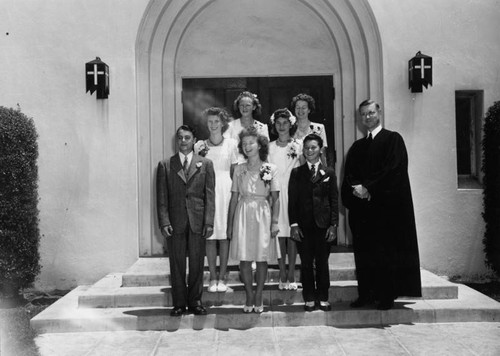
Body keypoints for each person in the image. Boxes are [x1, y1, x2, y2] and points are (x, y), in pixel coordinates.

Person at [341, 99, 422, 310]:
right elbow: (349, 175)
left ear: (379, 112)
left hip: (385, 211)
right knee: (364, 254)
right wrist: (356, 190)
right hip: (362, 212)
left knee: (384, 254)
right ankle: (366, 294)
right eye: (363, 114)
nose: (367, 117)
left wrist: (368, 187)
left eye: (370, 113)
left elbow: (394, 169)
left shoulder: (393, 140)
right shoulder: (357, 147)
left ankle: (386, 296)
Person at [156, 125, 216, 316]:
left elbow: (210, 196)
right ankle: (179, 303)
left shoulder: (205, 164)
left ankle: (196, 301)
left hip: (198, 221)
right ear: (176, 140)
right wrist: (165, 222)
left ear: (194, 140)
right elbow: (162, 198)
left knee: (198, 262)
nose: (183, 141)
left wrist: (209, 222)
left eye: (187, 138)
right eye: (180, 138)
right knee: (177, 263)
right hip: (175, 223)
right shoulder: (166, 165)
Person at [227, 127, 280, 314]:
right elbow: (234, 198)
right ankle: (249, 293)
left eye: (251, 142)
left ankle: (259, 294)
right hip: (243, 212)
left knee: (261, 255)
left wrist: (275, 221)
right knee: (245, 257)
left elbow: (276, 198)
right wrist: (229, 224)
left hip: (262, 213)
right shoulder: (239, 169)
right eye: (244, 143)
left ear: (260, 145)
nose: (247, 146)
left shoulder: (270, 168)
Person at [289, 133, 338, 312]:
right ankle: (309, 297)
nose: (310, 151)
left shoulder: (329, 172)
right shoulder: (296, 173)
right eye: (307, 148)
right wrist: (294, 224)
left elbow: (334, 199)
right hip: (304, 226)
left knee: (322, 263)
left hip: (323, 226)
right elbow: (292, 201)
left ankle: (323, 297)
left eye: (313, 147)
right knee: (307, 263)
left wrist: (333, 225)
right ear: (303, 150)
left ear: (320, 149)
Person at [194, 107, 238, 293]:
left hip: (226, 190)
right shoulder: (200, 146)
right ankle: (212, 277)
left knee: (225, 235)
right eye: (210, 122)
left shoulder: (232, 144)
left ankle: (223, 276)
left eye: (216, 122)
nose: (213, 125)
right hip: (207, 192)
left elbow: (235, 172)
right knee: (210, 235)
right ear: (206, 123)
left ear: (223, 123)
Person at [268, 108, 304, 290]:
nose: (282, 127)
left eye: (285, 123)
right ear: (274, 125)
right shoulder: (269, 147)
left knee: (292, 233)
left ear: (291, 124)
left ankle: (291, 273)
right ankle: (282, 272)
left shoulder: (298, 146)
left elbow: (303, 170)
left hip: (293, 193)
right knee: (279, 234)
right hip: (276, 193)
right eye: (278, 123)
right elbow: (265, 172)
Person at [291, 93, 328, 166]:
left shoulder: (319, 128)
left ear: (309, 110)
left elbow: (322, 153)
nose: (300, 110)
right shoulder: (290, 128)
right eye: (297, 107)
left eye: (304, 107)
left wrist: (325, 171)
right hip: (294, 168)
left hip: (313, 168)